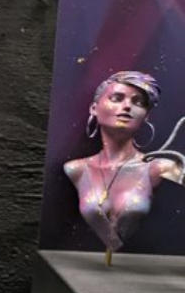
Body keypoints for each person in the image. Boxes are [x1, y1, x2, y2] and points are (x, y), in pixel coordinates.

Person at [64, 71, 184, 253]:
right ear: (94, 108)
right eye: (116, 98)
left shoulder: (160, 168)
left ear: (146, 116)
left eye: (138, 102)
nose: (127, 106)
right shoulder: (75, 169)